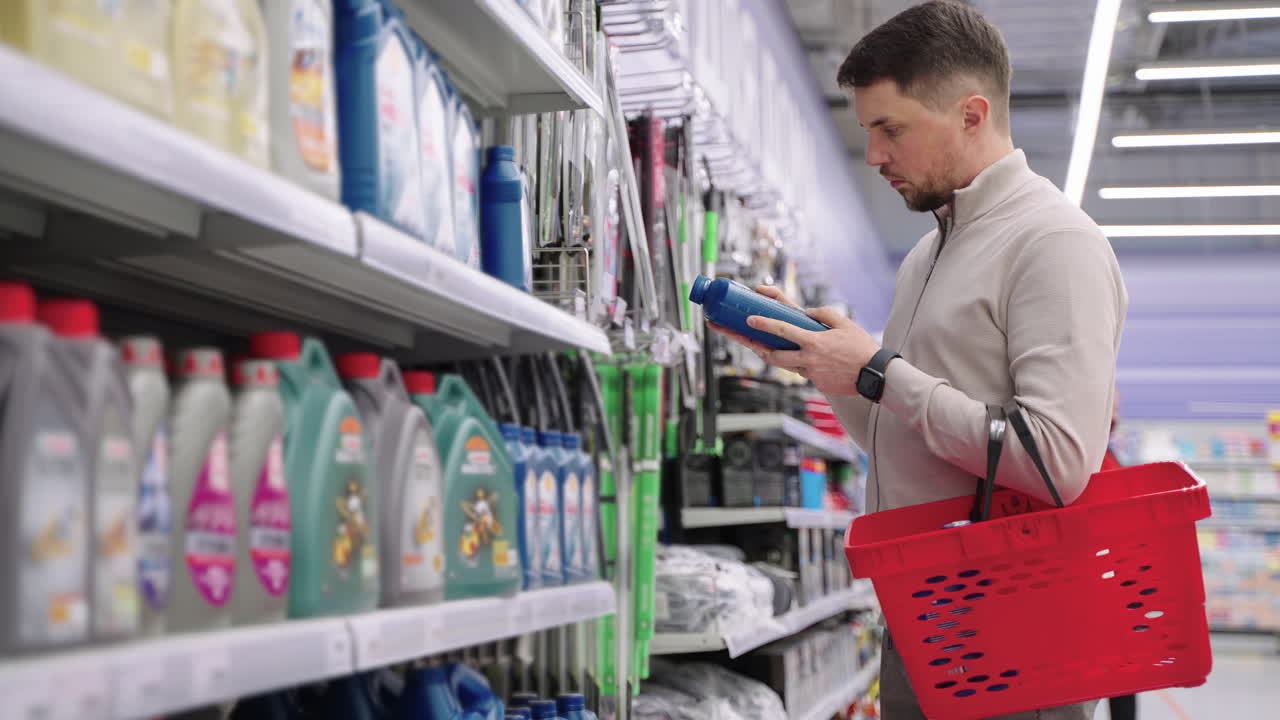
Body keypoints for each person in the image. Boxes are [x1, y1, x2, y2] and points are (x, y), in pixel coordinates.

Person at [709, 2, 1127, 719]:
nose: (873, 156)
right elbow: (899, 438)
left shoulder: (1053, 243)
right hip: (929, 627)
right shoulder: (929, 255)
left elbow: (1056, 460)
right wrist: (824, 364)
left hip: (1016, 644)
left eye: (890, 129)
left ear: (971, 114)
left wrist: (879, 370)